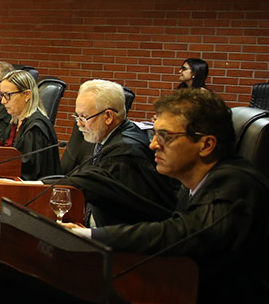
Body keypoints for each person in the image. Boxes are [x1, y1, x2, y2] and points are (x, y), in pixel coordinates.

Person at [71, 89, 269, 304]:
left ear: (206, 145)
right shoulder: (195, 184)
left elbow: (183, 234)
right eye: (155, 134)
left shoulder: (236, 187)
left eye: (165, 136)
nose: (153, 144)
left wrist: (89, 237)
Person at [56, 80, 178, 226]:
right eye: (77, 116)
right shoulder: (112, 137)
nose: (79, 123)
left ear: (108, 116)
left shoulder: (123, 153)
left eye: (84, 116)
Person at [0, 68, 58, 179]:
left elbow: (26, 169)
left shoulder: (35, 128)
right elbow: (11, 152)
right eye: (2, 95)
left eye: (8, 95)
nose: (3, 101)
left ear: (27, 95)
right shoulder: (16, 121)